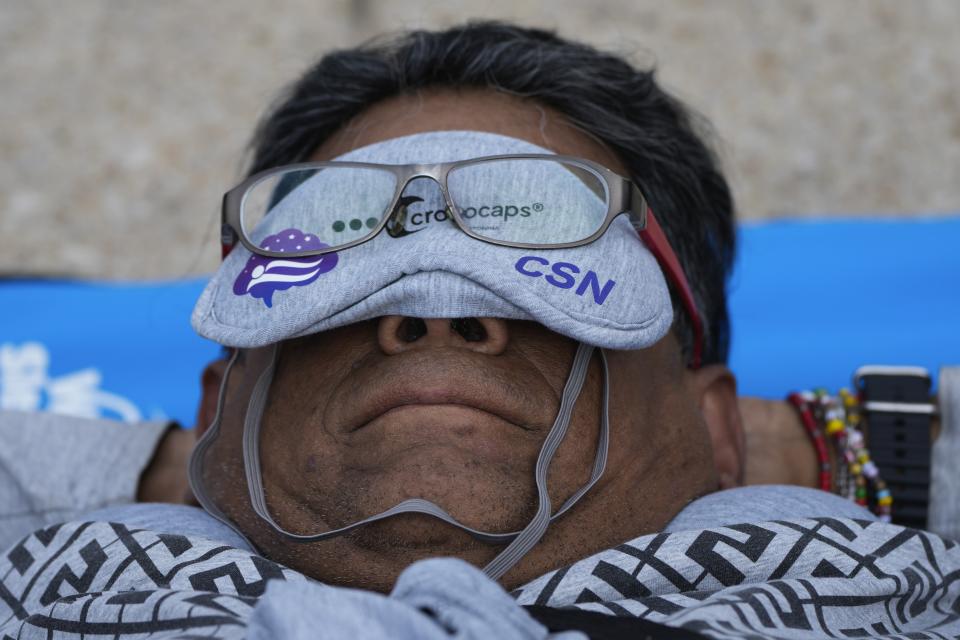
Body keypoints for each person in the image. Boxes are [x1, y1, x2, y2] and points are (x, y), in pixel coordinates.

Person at [2, 22, 958, 640]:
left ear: (717, 429)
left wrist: (828, 452)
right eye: (352, 268)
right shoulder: (61, 584)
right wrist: (191, 472)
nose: (433, 311)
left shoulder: (875, 590)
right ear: (222, 403)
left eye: (521, 270)